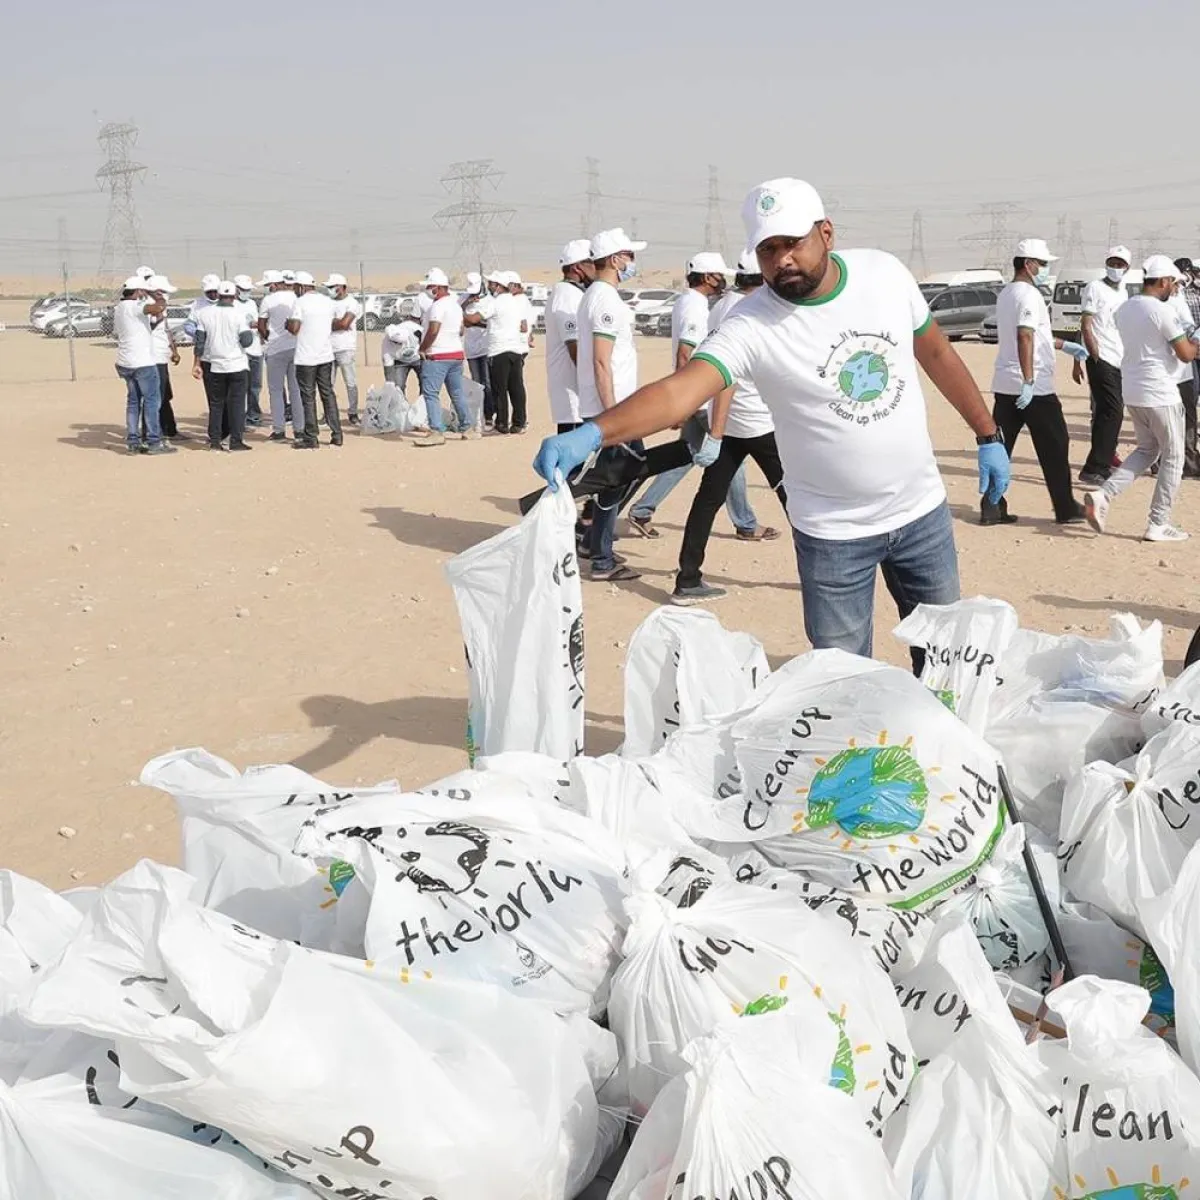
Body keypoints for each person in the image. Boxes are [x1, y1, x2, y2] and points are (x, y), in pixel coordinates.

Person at [534, 178, 1011, 664]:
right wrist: (595, 431)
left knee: (947, 664)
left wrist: (988, 434)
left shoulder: (884, 275)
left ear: (826, 233)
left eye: (792, 243)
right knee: (842, 680)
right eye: (767, 249)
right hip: (832, 535)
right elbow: (681, 392)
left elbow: (935, 352)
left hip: (921, 515)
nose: (781, 259)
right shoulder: (750, 324)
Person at [626, 252, 771, 543]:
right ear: (707, 277)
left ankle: (641, 509)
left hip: (702, 395)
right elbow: (686, 353)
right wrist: (685, 400)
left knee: (689, 455)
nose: (723, 282)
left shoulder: (706, 303)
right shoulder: (702, 306)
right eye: (719, 276)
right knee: (730, 458)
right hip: (706, 396)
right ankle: (745, 523)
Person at [673, 250, 789, 604]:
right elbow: (728, 379)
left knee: (707, 499)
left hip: (736, 422)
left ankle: (688, 578)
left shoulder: (723, 307)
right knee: (797, 499)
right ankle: (827, 573)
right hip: (754, 423)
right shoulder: (750, 314)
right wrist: (717, 432)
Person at [1085, 256, 1200, 543]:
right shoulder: (1159, 311)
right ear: (1162, 281)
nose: (1174, 289)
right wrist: (1195, 342)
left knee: (1147, 450)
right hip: (1161, 392)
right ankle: (1158, 522)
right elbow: (1185, 353)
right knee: (1173, 457)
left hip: (1134, 391)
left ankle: (1103, 494)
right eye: (1172, 284)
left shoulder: (1126, 308)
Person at [988, 238, 1089, 526]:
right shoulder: (1029, 295)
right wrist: (1030, 380)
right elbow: (1024, 335)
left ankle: (991, 505)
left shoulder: (1007, 293)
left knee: (1001, 448)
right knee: (1055, 445)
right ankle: (1066, 507)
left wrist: (1064, 345)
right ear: (1029, 264)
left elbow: (1035, 334)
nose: (1045, 269)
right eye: (1043, 264)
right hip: (1032, 388)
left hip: (1005, 384)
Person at [574, 228, 649, 583]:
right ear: (617, 259)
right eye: (630, 256)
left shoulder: (595, 296)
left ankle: (594, 543)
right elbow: (601, 361)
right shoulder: (604, 300)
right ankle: (601, 558)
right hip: (613, 409)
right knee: (617, 480)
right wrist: (612, 416)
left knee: (620, 478)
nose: (632, 262)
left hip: (612, 407)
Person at [1077, 246, 1132, 487]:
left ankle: (1102, 462)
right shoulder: (1095, 288)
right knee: (1113, 410)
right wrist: (1094, 356)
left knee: (1106, 413)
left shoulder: (1123, 292)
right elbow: (1086, 324)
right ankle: (1095, 466)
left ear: (1127, 267)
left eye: (1120, 264)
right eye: (1113, 262)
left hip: (1119, 358)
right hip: (1102, 359)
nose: (1116, 267)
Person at [114, 276, 174, 455]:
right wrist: (158, 297)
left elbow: (149, 322)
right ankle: (154, 441)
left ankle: (133, 441)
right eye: (143, 291)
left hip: (125, 361)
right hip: (142, 362)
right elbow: (158, 308)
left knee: (133, 402)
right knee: (151, 402)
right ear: (139, 291)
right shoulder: (135, 306)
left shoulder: (119, 308)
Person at [413, 268, 474, 447]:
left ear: (438, 288)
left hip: (438, 355)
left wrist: (423, 348)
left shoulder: (437, 306)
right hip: (455, 354)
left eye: (431, 286)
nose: (429, 290)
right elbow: (462, 329)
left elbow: (433, 330)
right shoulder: (455, 305)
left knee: (431, 393)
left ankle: (436, 431)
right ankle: (467, 427)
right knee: (456, 393)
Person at [192, 280, 254, 452]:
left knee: (216, 403)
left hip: (213, 364)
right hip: (236, 364)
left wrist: (196, 363)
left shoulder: (204, 313)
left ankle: (215, 440)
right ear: (234, 296)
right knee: (237, 404)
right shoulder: (239, 314)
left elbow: (199, 341)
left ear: (218, 295)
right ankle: (235, 439)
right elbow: (246, 341)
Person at [285, 271, 341, 449]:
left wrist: (288, 323)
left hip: (305, 357)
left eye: (295, 287)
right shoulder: (327, 301)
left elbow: (294, 328)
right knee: (328, 394)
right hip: (325, 355)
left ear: (301, 287)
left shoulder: (299, 302)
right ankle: (337, 434)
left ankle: (311, 436)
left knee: (308, 397)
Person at [545, 240, 594, 431]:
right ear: (578, 267)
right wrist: (593, 382)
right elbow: (573, 346)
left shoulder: (573, 293)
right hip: (573, 397)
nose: (596, 268)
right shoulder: (567, 296)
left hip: (578, 393)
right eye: (592, 263)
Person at [257, 270, 300, 442]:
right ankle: (300, 429)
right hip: (295, 347)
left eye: (268, 286)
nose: (268, 289)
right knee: (295, 390)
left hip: (275, 349)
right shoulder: (295, 298)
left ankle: (279, 430)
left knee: (275, 391)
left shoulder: (268, 300)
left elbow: (261, 325)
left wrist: (268, 336)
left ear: (274, 284)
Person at [485, 270, 530, 435]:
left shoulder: (496, 302)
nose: (489, 286)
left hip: (499, 350)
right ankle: (519, 423)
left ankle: (502, 423)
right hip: (516, 349)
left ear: (498, 286)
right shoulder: (516, 302)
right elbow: (524, 326)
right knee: (516, 387)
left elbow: (479, 317)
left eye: (491, 283)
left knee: (499, 388)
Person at [145, 274, 187, 443]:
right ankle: (153, 433)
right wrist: (159, 309)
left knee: (164, 395)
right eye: (163, 292)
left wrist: (173, 349)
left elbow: (166, 329)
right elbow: (150, 325)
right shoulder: (147, 307)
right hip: (152, 358)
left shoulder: (160, 306)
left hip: (162, 356)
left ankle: (168, 429)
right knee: (155, 397)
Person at [1172, 258, 1200, 477]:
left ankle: (1189, 458)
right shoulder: (1173, 298)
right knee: (1182, 410)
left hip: (1188, 358)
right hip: (1180, 360)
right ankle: (1183, 461)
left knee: (1188, 409)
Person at [325, 273, 363, 425]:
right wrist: (336, 323)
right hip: (328, 348)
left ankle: (353, 413)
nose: (331, 289)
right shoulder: (327, 303)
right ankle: (329, 414)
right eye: (329, 287)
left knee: (350, 382)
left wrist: (333, 323)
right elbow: (324, 322)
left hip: (345, 348)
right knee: (327, 384)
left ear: (343, 287)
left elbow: (344, 324)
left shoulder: (352, 303)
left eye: (333, 287)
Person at [230, 276, 264, 429]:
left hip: (256, 349)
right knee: (240, 387)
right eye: (243, 290)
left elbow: (256, 322)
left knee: (255, 386)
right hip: (241, 350)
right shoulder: (232, 305)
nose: (246, 293)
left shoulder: (251, 303)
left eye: (248, 290)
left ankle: (254, 415)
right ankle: (240, 417)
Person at [461, 272, 494, 426]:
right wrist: (465, 306)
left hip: (486, 346)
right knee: (476, 383)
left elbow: (473, 320)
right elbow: (459, 319)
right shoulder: (463, 299)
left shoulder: (489, 301)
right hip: (471, 348)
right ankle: (478, 414)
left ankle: (489, 414)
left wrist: (469, 320)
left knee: (487, 383)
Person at [381, 318, 422, 393]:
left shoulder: (417, 329)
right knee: (398, 387)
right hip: (400, 362)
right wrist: (390, 385)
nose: (399, 345)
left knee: (426, 384)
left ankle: (424, 403)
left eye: (400, 343)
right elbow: (389, 370)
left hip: (418, 359)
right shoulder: (386, 344)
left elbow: (429, 341)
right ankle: (401, 403)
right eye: (396, 343)